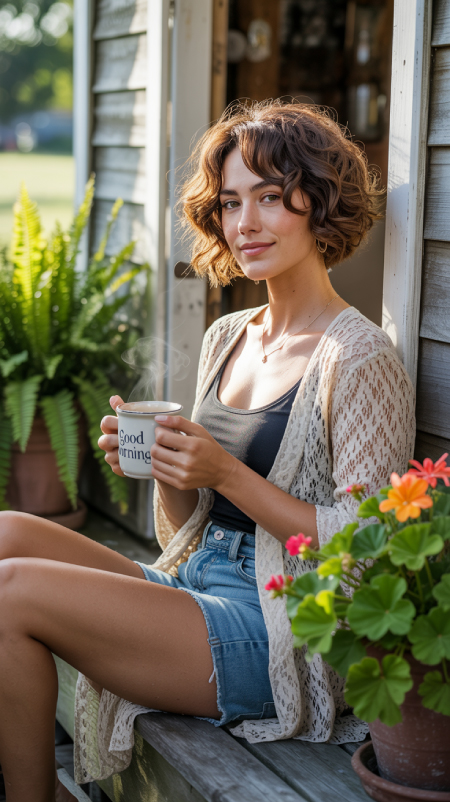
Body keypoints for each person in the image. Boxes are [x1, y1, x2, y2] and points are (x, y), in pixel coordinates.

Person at [0, 101, 415, 801]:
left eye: (272, 198)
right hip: (199, 588)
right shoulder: (229, 335)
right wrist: (166, 468)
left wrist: (225, 470)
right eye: (229, 203)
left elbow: (367, 554)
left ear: (321, 202)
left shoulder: (360, 355)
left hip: (281, 633)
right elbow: (184, 533)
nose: (245, 223)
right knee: (6, 531)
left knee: (11, 592)